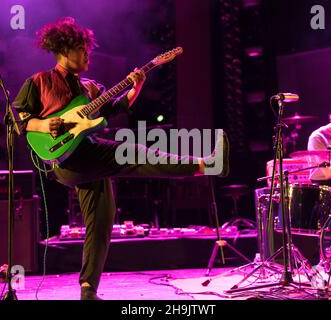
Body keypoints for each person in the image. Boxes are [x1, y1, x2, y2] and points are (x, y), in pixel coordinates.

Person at [13, 17, 229, 300]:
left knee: (101, 220)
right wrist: (46, 125)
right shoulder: (38, 82)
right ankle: (205, 164)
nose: (87, 54)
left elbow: (116, 107)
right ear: (64, 50)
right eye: (81, 48)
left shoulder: (89, 88)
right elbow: (16, 118)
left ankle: (88, 290)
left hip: (86, 156)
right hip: (63, 158)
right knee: (133, 153)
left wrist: (136, 86)